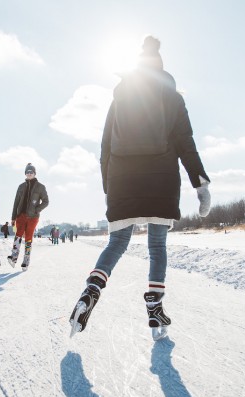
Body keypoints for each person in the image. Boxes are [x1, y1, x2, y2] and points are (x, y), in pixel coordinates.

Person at [69, 36, 211, 339]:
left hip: (122, 182)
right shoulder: (173, 98)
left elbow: (105, 146)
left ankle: (92, 289)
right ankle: (155, 308)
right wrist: (200, 183)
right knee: (157, 247)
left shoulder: (118, 100)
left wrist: (110, 187)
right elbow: (187, 144)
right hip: (160, 181)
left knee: (117, 243)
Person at [7, 163, 49, 270]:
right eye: (27, 172)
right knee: (18, 235)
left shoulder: (40, 187)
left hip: (33, 217)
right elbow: (16, 202)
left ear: (34, 173)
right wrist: (13, 217)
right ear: (25, 174)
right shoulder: (21, 186)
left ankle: (26, 260)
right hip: (20, 215)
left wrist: (36, 209)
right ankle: (14, 257)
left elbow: (46, 201)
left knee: (28, 237)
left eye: (31, 172)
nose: (29, 174)